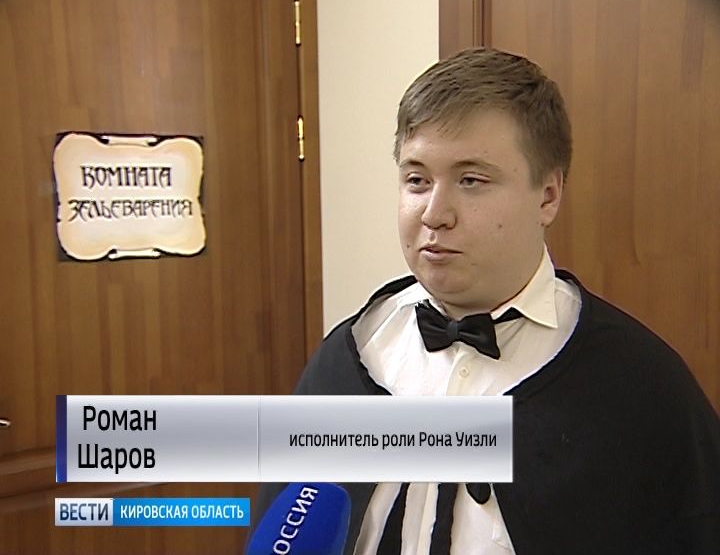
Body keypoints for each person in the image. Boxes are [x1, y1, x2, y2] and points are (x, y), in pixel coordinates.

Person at [254, 48, 720, 554]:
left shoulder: (643, 388)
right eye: (417, 180)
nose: (434, 214)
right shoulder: (347, 359)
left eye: (471, 180)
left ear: (547, 196)